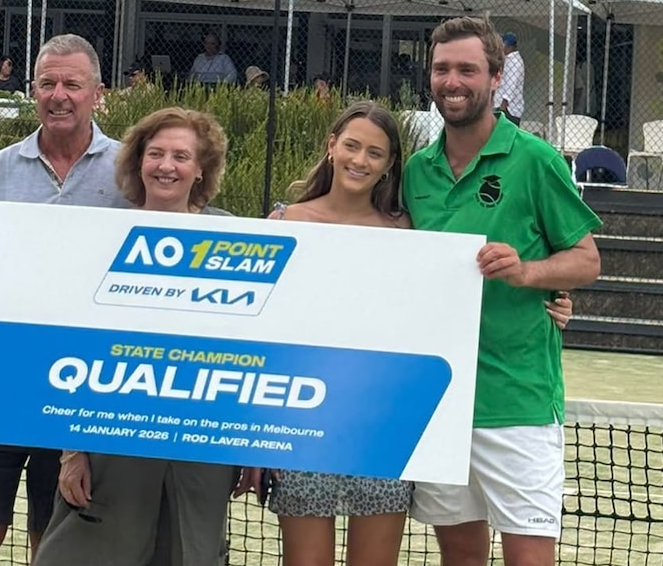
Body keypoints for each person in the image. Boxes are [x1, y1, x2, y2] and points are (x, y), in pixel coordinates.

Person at [235, 100, 576, 566]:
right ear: (331, 146)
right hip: (302, 427)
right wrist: (256, 438)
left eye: (375, 153)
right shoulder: (282, 224)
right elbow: (260, 335)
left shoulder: (407, 231)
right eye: (351, 146)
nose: (360, 160)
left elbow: (448, 296)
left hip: (384, 428)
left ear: (389, 164)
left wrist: (549, 298)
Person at [0, 33, 130, 566]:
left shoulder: (131, 172)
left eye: (72, 84)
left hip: (80, 394)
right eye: (47, 83)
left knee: (53, 547)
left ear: (98, 94)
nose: (59, 94)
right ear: (33, 91)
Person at [404, 16, 601, 566]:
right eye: (442, 69)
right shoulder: (416, 170)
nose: (453, 81)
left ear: (495, 78)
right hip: (439, 402)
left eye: (467, 69)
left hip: (518, 401)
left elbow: (587, 260)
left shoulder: (536, 159)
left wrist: (527, 273)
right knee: (461, 558)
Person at [32, 107, 239, 566]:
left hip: (200, 448)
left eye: (181, 156)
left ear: (201, 168)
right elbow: (76, 343)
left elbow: (247, 346)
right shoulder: (102, 236)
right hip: (112, 445)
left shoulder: (233, 237)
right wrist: (72, 451)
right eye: (156, 153)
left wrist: (253, 447)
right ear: (138, 161)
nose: (167, 165)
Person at [493, 31, 524, 126]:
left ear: (509, 46)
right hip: (501, 104)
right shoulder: (508, 59)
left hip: (509, 108)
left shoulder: (515, 62)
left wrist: (504, 104)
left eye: (503, 45)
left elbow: (511, 84)